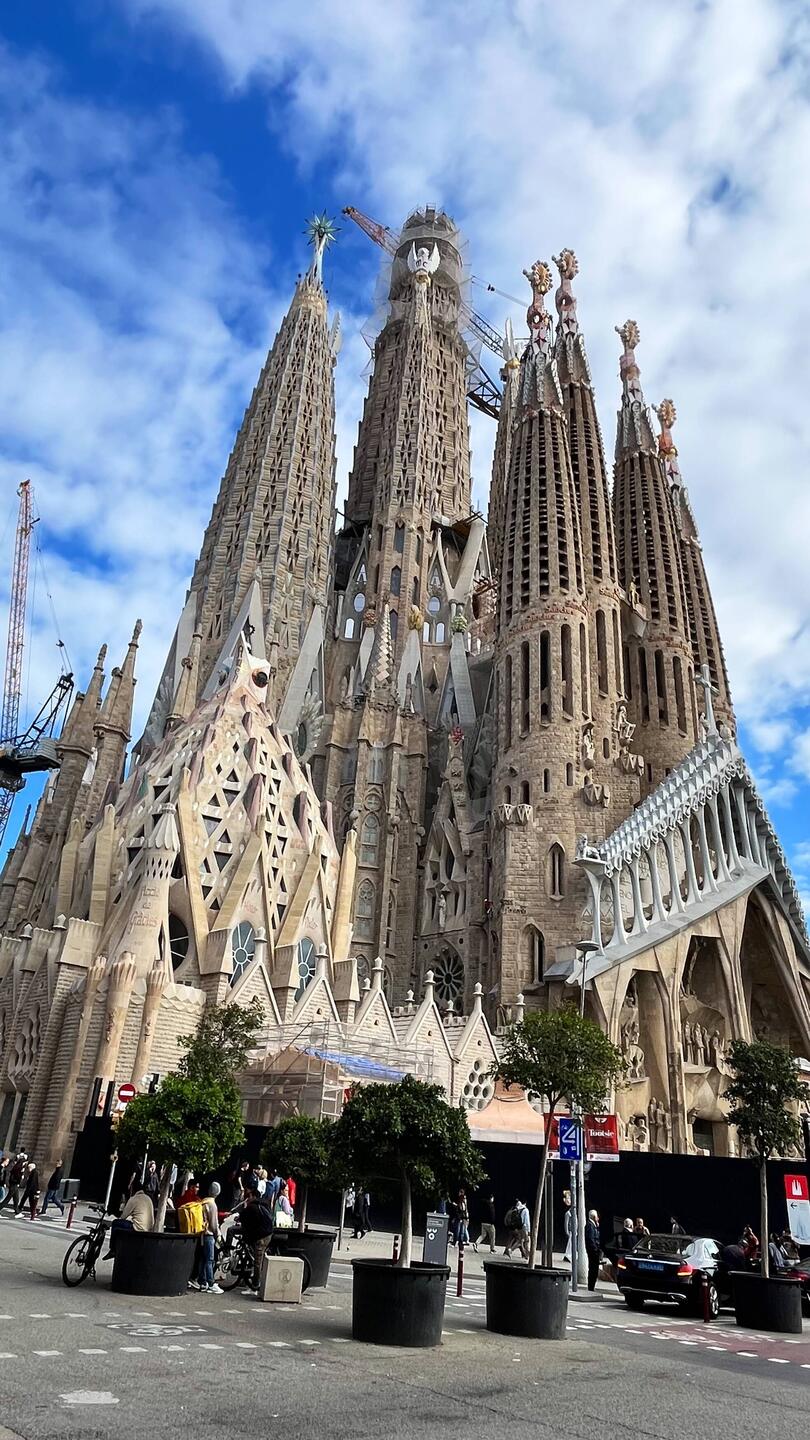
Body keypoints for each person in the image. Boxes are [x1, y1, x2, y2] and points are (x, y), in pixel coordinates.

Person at [239, 1186, 276, 1291]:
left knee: (257, 1261)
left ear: (253, 1196)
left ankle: (256, 1284)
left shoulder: (252, 1206)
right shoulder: (263, 1204)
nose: (247, 1198)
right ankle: (248, 1279)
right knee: (255, 1255)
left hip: (262, 1236)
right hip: (268, 1233)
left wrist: (244, 1208)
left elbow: (243, 1217)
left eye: (248, 1196)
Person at [104, 1185, 155, 1259]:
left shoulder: (133, 1199)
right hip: (149, 1227)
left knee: (116, 1223)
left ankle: (113, 1249)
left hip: (138, 1228)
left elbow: (123, 1217)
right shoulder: (148, 1198)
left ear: (133, 1190)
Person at [190, 1181, 222, 1293]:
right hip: (209, 1234)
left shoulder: (203, 1202)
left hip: (202, 1233)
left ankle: (202, 1282)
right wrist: (218, 1235)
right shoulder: (212, 1205)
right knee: (210, 1259)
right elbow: (213, 1223)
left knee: (203, 1259)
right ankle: (211, 1283)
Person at [585, 1209, 602, 1291]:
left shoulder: (593, 1225)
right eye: (597, 1217)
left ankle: (591, 1286)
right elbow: (591, 1239)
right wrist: (595, 1250)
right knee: (593, 1270)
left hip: (593, 1251)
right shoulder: (590, 1225)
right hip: (593, 1252)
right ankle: (591, 1287)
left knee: (594, 1269)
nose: (598, 1218)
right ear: (594, 1217)